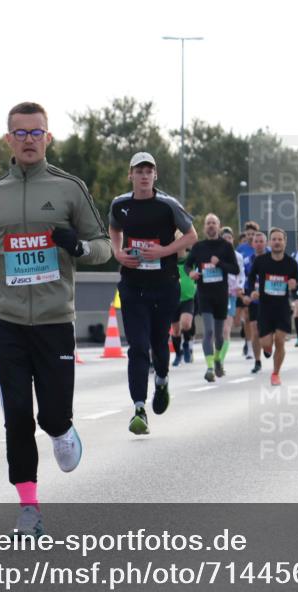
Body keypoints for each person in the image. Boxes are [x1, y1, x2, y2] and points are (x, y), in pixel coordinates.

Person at [0, 101, 111, 536]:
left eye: (35, 132)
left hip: (54, 320)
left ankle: (62, 431)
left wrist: (78, 246)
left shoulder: (69, 188)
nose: (28, 140)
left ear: (48, 137)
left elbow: (103, 247)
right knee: (18, 414)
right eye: (20, 133)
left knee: (52, 416)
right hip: (6, 320)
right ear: (8, 139)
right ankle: (29, 507)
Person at [109, 151, 197, 435]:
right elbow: (114, 229)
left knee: (159, 343)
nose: (144, 176)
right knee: (137, 346)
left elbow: (191, 236)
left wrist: (164, 251)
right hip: (132, 286)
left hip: (164, 286)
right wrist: (118, 253)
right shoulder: (120, 204)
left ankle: (162, 380)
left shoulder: (168, 205)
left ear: (155, 175)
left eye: (149, 171)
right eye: (139, 171)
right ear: (131, 175)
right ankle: (139, 409)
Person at [185, 213, 240, 382]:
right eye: (208, 223)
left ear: (218, 226)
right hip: (204, 294)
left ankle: (217, 359)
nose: (211, 226)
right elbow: (187, 265)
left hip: (221, 295)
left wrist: (220, 264)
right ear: (204, 227)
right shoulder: (198, 247)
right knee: (208, 331)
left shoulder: (226, 247)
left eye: (213, 223)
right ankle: (209, 368)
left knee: (219, 335)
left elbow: (235, 269)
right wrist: (191, 273)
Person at [247, 228, 298, 386]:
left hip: (282, 308)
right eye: (274, 239)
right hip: (265, 308)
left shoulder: (291, 263)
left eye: (280, 239)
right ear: (269, 242)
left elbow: (296, 282)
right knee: (266, 343)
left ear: (285, 242)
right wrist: (252, 291)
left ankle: (276, 373)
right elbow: (251, 278)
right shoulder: (261, 261)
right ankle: (267, 349)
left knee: (280, 341)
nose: (277, 242)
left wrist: (293, 284)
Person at [241, 230, 268, 373]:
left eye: (261, 241)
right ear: (252, 244)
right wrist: (245, 295)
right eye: (256, 242)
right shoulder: (247, 261)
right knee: (255, 331)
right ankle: (257, 361)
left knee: (268, 332)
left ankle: (268, 346)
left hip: (270, 301)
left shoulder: (272, 259)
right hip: (254, 301)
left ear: (266, 243)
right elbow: (243, 280)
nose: (258, 244)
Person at [221, 226, 246, 363]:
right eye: (224, 238)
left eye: (229, 238)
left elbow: (241, 274)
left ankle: (220, 359)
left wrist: (240, 286)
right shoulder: (214, 256)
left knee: (226, 329)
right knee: (217, 330)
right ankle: (216, 353)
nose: (227, 240)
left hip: (231, 295)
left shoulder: (238, 256)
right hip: (217, 295)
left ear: (233, 240)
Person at [170, 251, 197, 366]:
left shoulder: (191, 258)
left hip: (188, 298)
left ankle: (186, 344)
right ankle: (178, 354)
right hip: (173, 299)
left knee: (186, 324)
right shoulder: (169, 259)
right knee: (176, 331)